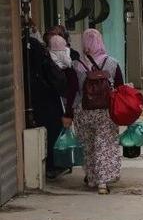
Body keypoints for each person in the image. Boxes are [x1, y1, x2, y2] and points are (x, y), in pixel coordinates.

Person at [67, 29, 124, 195]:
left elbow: (72, 91)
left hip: (83, 111)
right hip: (106, 112)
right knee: (105, 145)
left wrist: (68, 114)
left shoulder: (76, 65)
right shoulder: (112, 63)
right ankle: (103, 182)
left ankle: (92, 178)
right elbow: (120, 88)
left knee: (89, 146)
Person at [25, 23, 68, 179]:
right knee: (52, 133)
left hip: (37, 103)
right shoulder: (44, 58)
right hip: (49, 102)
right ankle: (53, 165)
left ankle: (50, 165)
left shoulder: (31, 62)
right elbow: (59, 82)